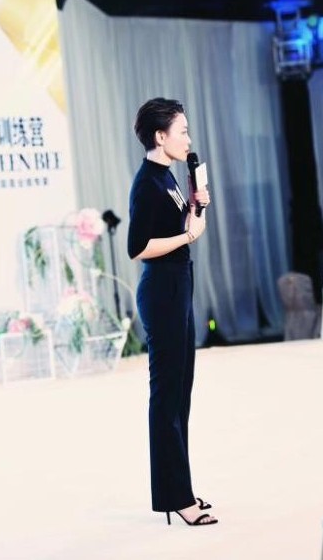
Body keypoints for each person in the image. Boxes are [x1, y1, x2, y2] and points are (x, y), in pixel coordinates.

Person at [127, 97, 217, 527]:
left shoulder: (168, 176)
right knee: (166, 398)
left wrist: (196, 206)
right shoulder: (147, 182)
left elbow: (179, 224)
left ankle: (179, 489)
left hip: (179, 285)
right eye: (182, 131)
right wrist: (189, 236)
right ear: (160, 137)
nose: (188, 139)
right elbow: (138, 247)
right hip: (162, 291)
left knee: (180, 394)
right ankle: (176, 498)